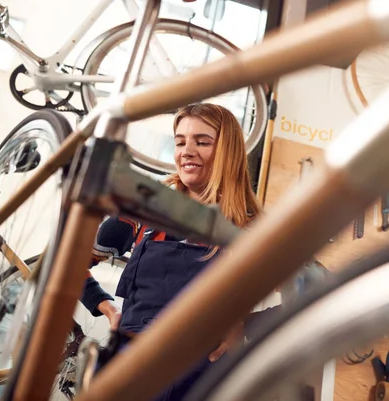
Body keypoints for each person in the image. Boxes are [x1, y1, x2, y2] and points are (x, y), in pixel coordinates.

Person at [79, 103, 276, 400]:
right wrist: (108, 308)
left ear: (228, 151)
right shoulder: (143, 211)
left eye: (202, 141)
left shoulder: (252, 229)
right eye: (180, 141)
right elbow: (65, 268)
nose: (187, 150)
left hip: (202, 379)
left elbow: (307, 299)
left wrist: (242, 325)